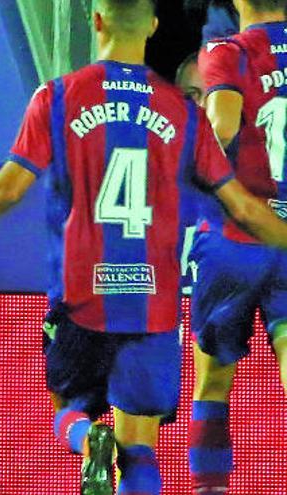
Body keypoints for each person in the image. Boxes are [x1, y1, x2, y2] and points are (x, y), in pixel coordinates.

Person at [0, 0, 287, 494]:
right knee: (142, 448)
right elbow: (244, 205)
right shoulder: (184, 112)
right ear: (152, 25)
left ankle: (88, 439)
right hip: (153, 302)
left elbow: (6, 189)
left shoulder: (59, 97)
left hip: (82, 295)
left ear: (97, 20)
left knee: (66, 409)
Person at [192, 0, 287, 493]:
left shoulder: (228, 52)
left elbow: (220, 130)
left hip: (237, 237)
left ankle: (211, 487)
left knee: (212, 381)